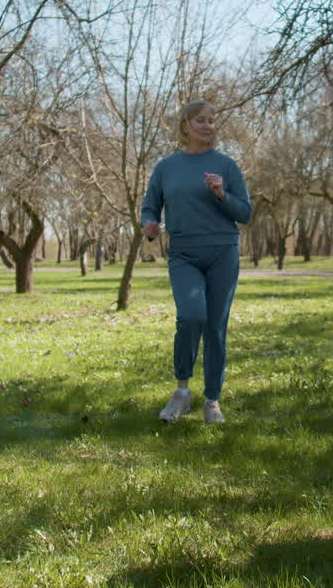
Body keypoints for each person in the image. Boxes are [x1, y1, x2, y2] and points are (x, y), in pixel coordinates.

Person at [142, 100, 253, 424]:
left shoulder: (226, 166)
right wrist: (148, 225)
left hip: (222, 252)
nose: (207, 126)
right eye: (200, 120)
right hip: (184, 253)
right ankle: (181, 392)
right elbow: (150, 206)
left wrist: (222, 194)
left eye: (211, 121)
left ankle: (212, 400)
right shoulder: (166, 167)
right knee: (191, 317)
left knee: (216, 326)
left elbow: (245, 214)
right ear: (185, 125)